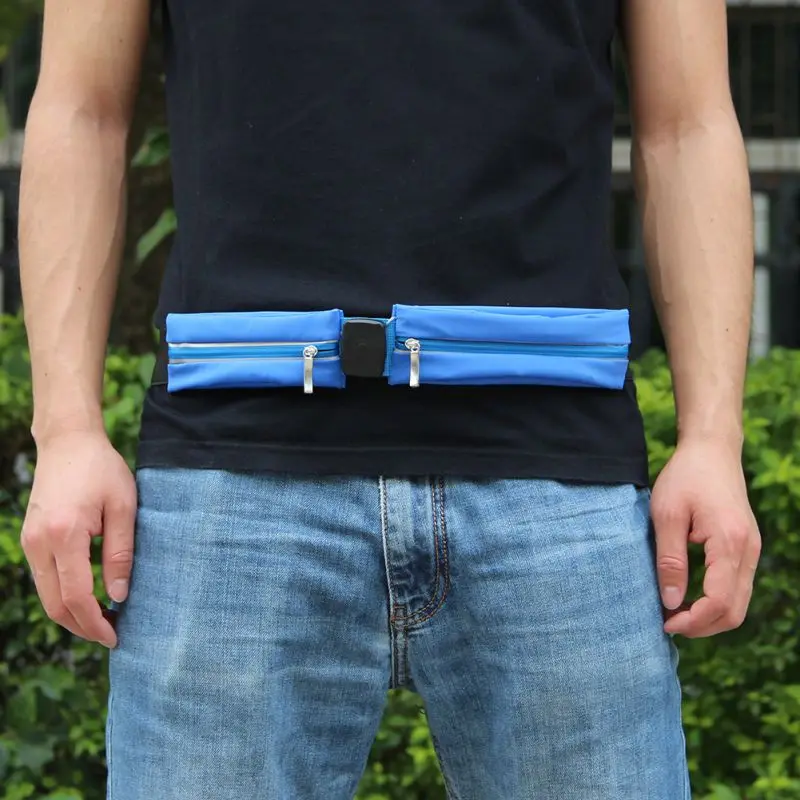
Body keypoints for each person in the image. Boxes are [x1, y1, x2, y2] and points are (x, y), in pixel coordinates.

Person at [18, 1, 761, 798]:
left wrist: (712, 440)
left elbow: (687, 126)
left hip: (557, 477)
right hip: (233, 471)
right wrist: (66, 430)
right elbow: (80, 109)